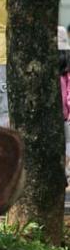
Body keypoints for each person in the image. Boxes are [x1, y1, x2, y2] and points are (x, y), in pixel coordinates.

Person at [59, 26, 70, 180]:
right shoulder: (67, 72)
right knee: (67, 142)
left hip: (51, 115)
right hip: (65, 116)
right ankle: (66, 171)